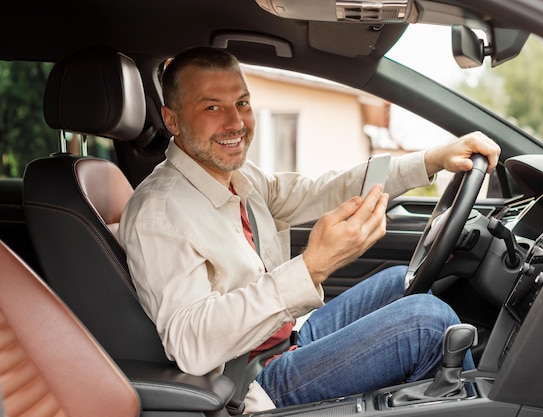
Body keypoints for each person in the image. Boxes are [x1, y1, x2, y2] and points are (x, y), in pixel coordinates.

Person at [118, 46, 501, 412]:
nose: (235, 122)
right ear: (172, 120)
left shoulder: (236, 175)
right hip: (248, 384)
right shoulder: (159, 211)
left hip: (284, 341)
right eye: (212, 107)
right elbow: (190, 344)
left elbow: (318, 191)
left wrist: (430, 161)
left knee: (401, 281)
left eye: (242, 103)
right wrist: (313, 266)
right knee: (429, 323)